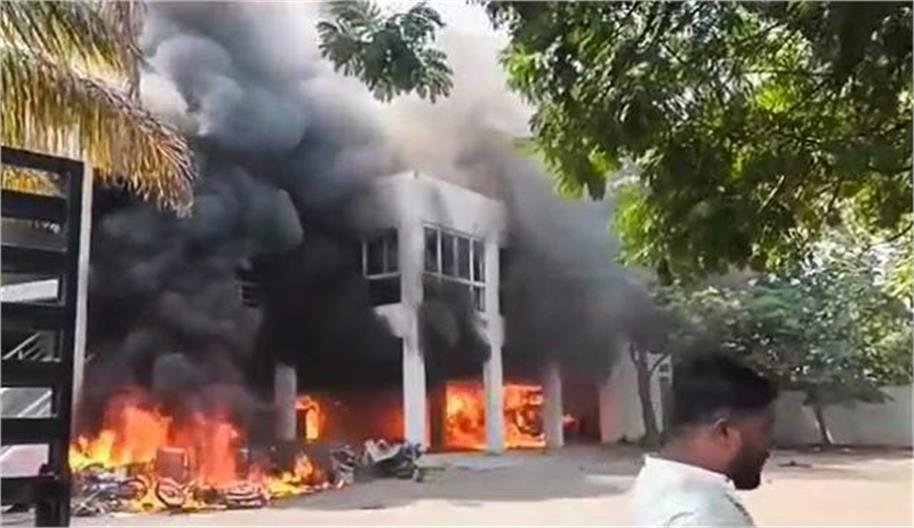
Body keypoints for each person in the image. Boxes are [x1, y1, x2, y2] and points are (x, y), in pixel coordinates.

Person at [632, 353, 778, 527]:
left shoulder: (657, 479)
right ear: (724, 433)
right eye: (764, 430)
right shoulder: (705, 516)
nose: (770, 444)